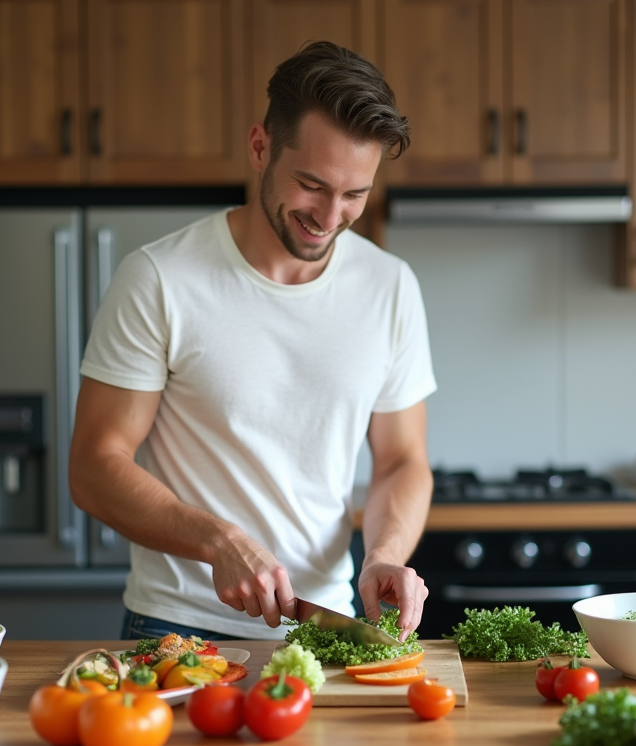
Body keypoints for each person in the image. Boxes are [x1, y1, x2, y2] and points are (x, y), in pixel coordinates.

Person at [69, 41, 436, 642]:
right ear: (260, 147)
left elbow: (402, 460)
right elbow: (94, 465)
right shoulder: (160, 278)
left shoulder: (389, 287)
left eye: (355, 195)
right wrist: (219, 541)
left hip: (324, 629)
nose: (330, 215)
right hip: (177, 628)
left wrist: (383, 555)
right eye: (312, 185)